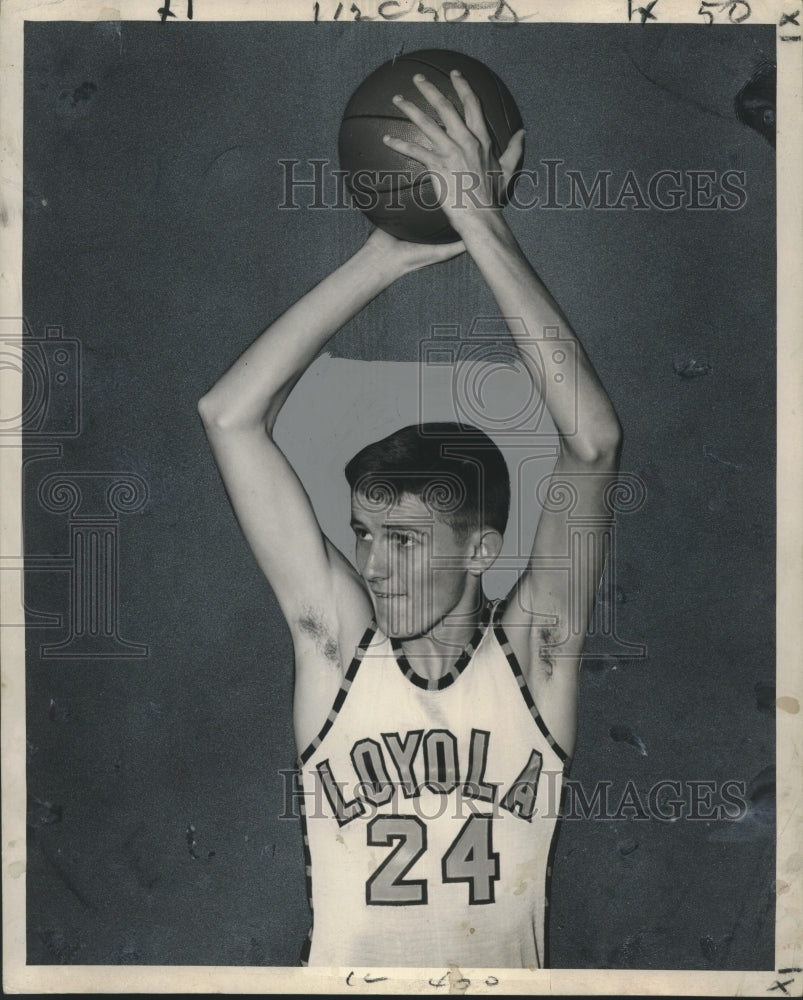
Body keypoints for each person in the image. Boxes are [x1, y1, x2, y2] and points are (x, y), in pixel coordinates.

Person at [198, 69, 622, 969]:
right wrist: (386, 255)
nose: (372, 565)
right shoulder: (335, 649)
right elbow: (228, 415)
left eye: (402, 540)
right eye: (361, 534)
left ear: (481, 548)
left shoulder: (536, 656)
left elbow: (591, 443)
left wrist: (480, 220)